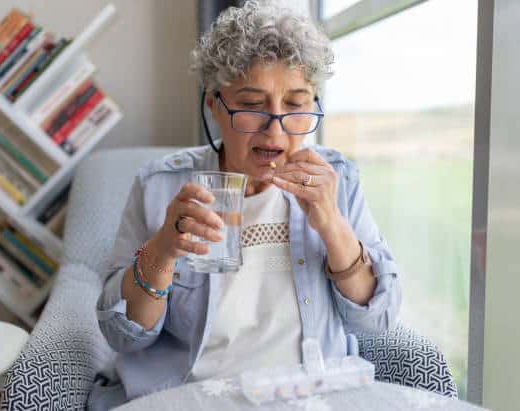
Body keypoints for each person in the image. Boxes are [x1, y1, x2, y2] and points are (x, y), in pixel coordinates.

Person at [88, 1, 401, 409]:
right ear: (214, 105)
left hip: (309, 395)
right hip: (190, 397)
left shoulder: (336, 181)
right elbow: (125, 335)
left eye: (295, 104)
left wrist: (332, 224)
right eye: (253, 104)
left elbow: (376, 321)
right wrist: (163, 248)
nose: (276, 127)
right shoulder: (159, 186)